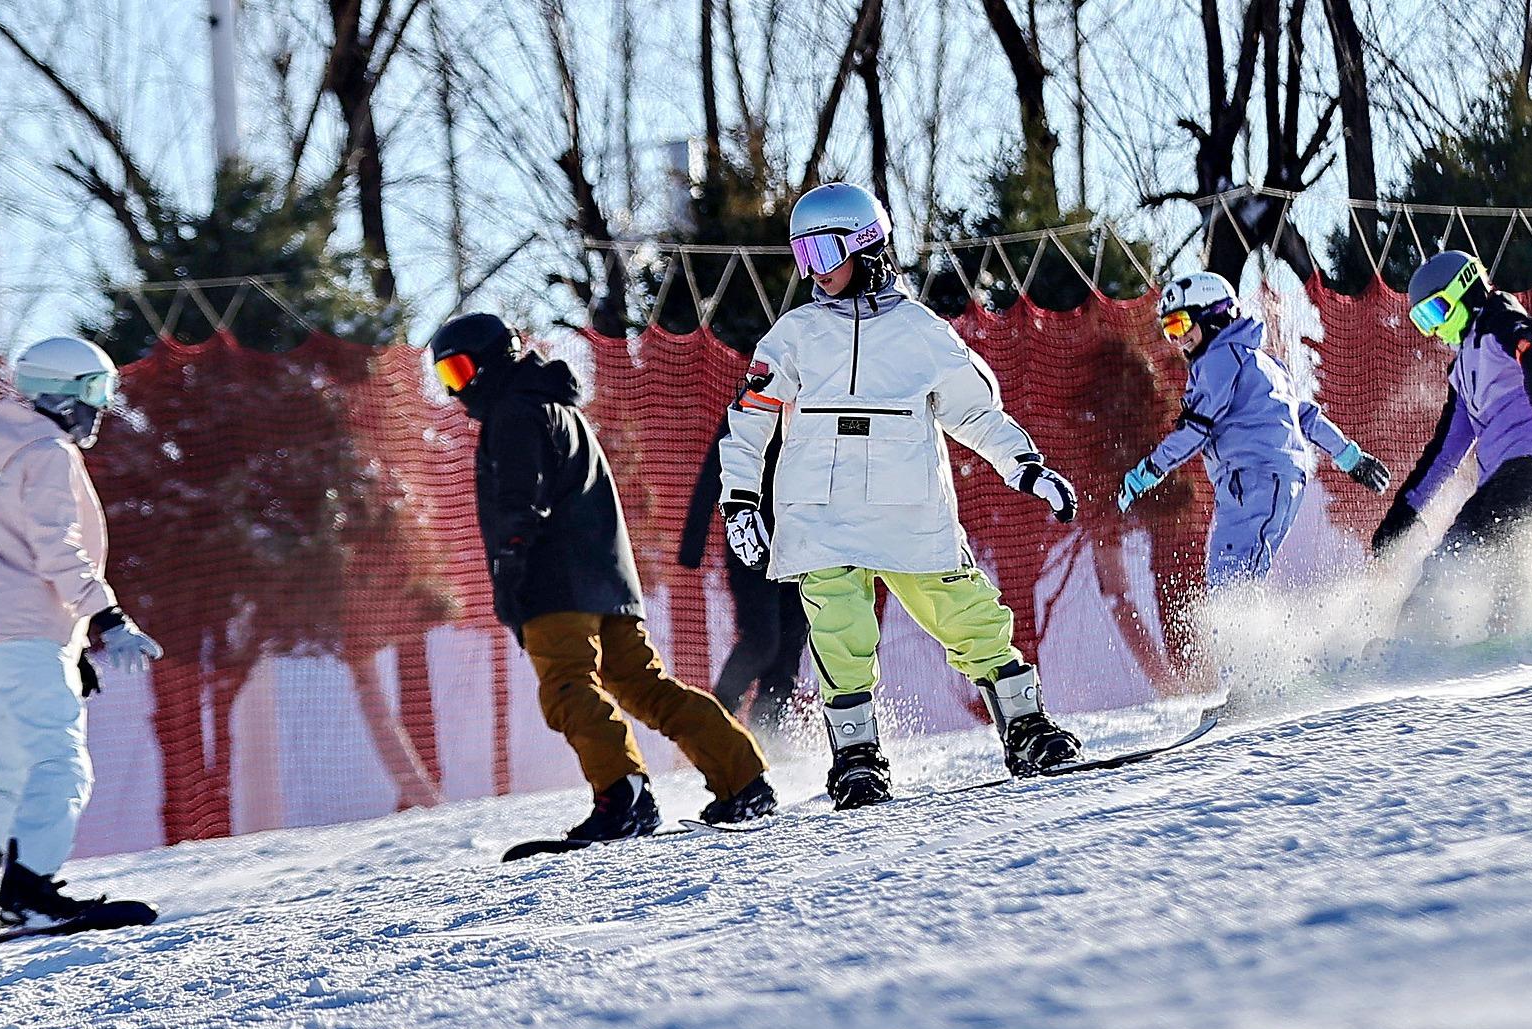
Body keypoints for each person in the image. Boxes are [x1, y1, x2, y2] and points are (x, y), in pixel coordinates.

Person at [718, 181, 1084, 810]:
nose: (814, 272)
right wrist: (741, 501)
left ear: (867, 248)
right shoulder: (794, 335)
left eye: (824, 254)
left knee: (966, 613)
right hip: (819, 512)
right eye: (802, 257)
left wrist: (1027, 467)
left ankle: (1025, 726)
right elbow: (747, 423)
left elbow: (978, 415)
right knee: (839, 631)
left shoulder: (921, 332)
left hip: (909, 506)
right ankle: (857, 758)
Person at [429, 313, 775, 839]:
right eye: (445, 378)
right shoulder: (556, 407)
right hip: (606, 578)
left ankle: (623, 795)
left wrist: (511, 563)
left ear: (492, 358)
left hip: (554, 582)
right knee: (643, 685)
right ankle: (742, 779)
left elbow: (520, 501)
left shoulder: (514, 413)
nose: (457, 389)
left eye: (459, 370)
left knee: (569, 687)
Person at [0, 336, 164, 947]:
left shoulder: (24, 454)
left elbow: (29, 558)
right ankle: (30, 895)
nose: (101, 408)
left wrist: (74, 642)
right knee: (59, 766)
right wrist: (107, 619)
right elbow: (59, 549)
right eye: (94, 391)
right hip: (25, 637)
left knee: (15, 776)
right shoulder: (49, 453)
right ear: (60, 395)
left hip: (2, 638)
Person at [1116, 271, 1390, 586]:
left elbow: (1197, 429)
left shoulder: (1219, 359)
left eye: (1179, 324)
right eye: (1168, 331)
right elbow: (1303, 417)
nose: (1177, 339)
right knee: (1231, 577)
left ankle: (1247, 635)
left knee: (1233, 581)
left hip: (1254, 478)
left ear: (1212, 313)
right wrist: (1350, 457)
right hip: (1260, 481)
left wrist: (1145, 473)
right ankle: (1241, 633)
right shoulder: (1265, 363)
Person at [1370, 251, 1532, 630]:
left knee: (1494, 529)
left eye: (1436, 312)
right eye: (1422, 322)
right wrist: (1405, 512)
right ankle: (1409, 640)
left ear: (1465, 290)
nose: (1433, 330)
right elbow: (1444, 454)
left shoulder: (1499, 315)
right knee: (1457, 551)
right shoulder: (1462, 371)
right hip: (1501, 479)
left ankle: (1513, 619)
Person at [679, 416, 809, 741]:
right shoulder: (752, 406)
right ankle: (714, 728)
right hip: (751, 549)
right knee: (761, 641)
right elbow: (715, 472)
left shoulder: (813, 404)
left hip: (801, 547)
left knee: (790, 646)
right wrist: (692, 545)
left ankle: (769, 740)